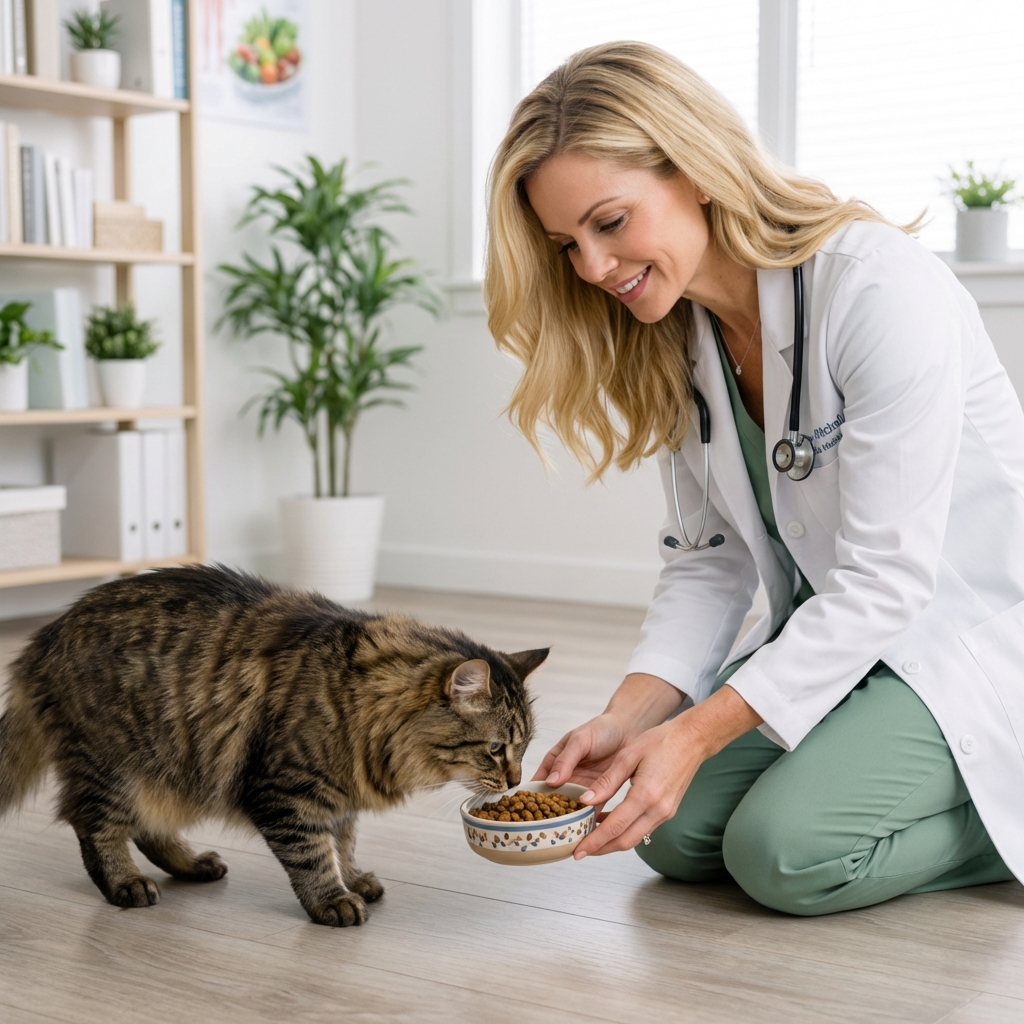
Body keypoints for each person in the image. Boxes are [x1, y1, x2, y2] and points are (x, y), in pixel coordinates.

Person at [484, 42, 1024, 916]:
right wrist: (629, 721)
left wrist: (692, 733)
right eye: (566, 244)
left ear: (694, 170)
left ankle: (1002, 821)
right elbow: (709, 561)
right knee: (674, 832)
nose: (590, 267)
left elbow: (889, 580)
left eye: (610, 223)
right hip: (841, 643)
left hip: (961, 633)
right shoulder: (676, 337)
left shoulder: (876, 288)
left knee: (782, 855)